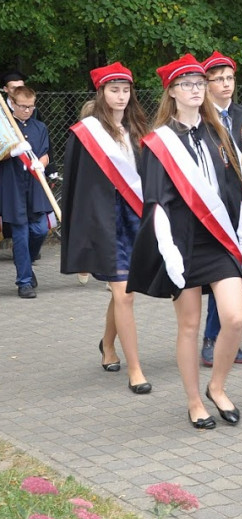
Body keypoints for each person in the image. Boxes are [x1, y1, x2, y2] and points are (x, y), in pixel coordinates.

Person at [127, 54, 242, 430]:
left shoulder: (218, 133)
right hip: (180, 243)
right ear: (172, 92)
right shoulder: (158, 143)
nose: (196, 89)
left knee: (235, 317)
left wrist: (241, 234)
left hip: (219, 240)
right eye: (188, 85)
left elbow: (233, 189)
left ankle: (218, 386)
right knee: (190, 326)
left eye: (200, 83)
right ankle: (195, 401)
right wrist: (169, 253)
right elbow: (156, 205)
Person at [60, 63, 152, 393]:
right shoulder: (86, 133)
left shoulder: (139, 128)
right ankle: (136, 370)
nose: (121, 96)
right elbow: (79, 187)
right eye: (114, 90)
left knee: (125, 293)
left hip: (135, 218)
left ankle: (108, 346)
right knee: (123, 293)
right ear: (101, 93)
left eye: (126, 90)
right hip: (105, 222)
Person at [200, 51, 242, 367]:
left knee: (234, 272)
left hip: (240, 206)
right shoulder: (201, 118)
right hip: (211, 206)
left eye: (229, 78)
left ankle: (227, 339)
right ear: (206, 84)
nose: (225, 84)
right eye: (218, 79)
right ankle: (212, 339)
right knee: (220, 272)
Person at [1, 85, 52, 298]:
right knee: (20, 234)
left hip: (34, 184)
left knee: (40, 229)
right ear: (12, 103)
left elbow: (46, 153)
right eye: (23, 106)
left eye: (31, 107)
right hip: (12, 184)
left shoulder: (40, 127)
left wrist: (41, 163)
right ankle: (24, 282)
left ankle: (27, 268)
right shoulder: (4, 126)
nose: (27, 111)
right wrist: (11, 151)